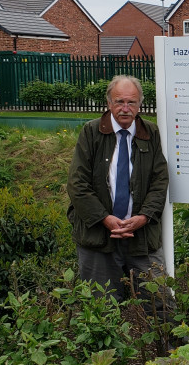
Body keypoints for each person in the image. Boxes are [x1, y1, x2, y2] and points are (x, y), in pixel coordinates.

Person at [67, 75, 170, 302]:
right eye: (119, 102)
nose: (125, 108)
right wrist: (105, 218)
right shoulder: (91, 132)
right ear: (109, 103)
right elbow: (77, 184)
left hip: (142, 237)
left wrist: (144, 216)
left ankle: (164, 340)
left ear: (139, 105)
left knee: (161, 306)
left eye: (131, 102)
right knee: (103, 310)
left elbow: (159, 181)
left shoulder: (150, 133)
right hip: (99, 238)